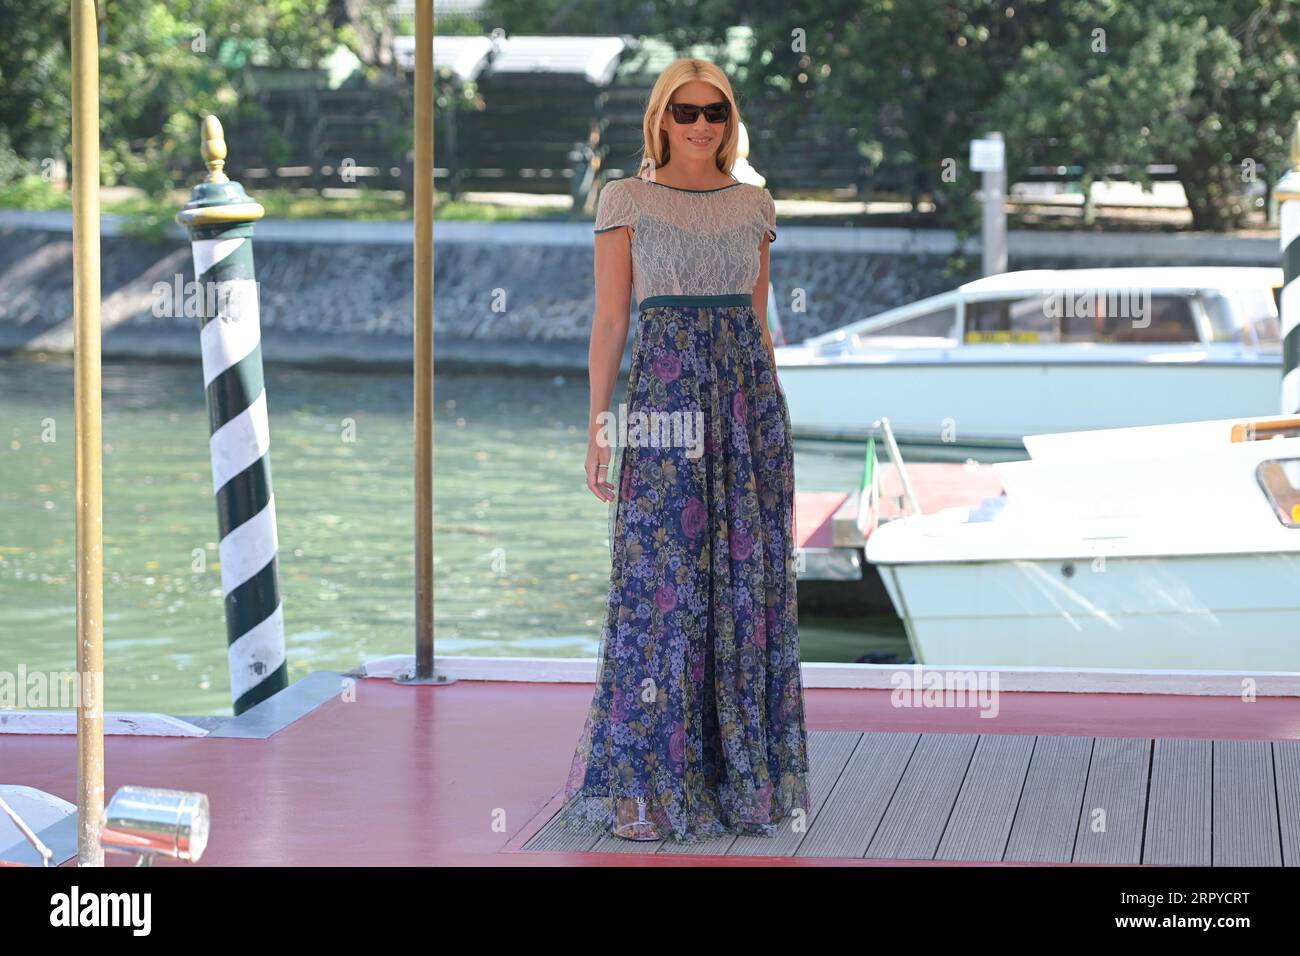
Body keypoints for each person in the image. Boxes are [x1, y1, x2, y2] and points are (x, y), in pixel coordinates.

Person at [558, 57, 812, 844]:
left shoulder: (756, 204)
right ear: (661, 119)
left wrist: (774, 432)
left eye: (714, 112)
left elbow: (760, 325)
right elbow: (610, 324)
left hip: (747, 418)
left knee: (744, 597)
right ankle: (642, 787)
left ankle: (740, 777)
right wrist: (600, 426)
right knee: (659, 594)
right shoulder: (625, 199)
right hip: (665, 415)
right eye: (686, 111)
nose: (701, 125)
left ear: (729, 121)